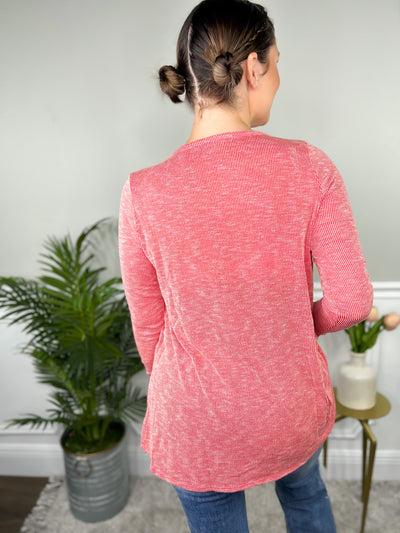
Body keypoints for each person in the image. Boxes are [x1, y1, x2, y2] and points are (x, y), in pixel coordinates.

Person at [118, 1, 373, 531]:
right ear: (253, 67)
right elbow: (352, 302)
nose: (279, 78)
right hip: (288, 409)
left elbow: (150, 331)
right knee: (306, 495)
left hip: (196, 416)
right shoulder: (311, 167)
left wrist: (194, 390)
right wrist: (295, 326)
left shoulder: (141, 192)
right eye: (277, 63)